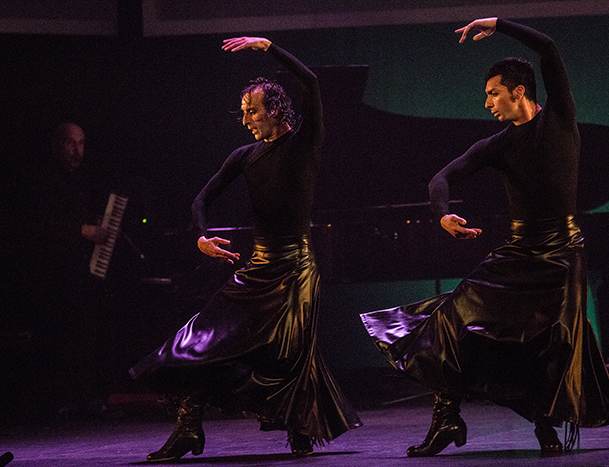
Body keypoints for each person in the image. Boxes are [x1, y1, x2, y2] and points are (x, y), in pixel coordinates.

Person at [360, 17, 609, 456]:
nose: (487, 103)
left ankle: (544, 425)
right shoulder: (499, 145)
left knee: (549, 339)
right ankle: (446, 419)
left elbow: (549, 48)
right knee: (451, 320)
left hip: (562, 252)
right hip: (519, 252)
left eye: (493, 93)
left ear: (519, 91)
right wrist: (442, 215)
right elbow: (441, 179)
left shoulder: (559, 119)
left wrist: (499, 24)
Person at [129, 37, 361, 462]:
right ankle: (188, 426)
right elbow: (201, 200)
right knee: (201, 338)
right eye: (242, 112)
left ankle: (299, 429)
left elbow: (309, 82)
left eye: (252, 110)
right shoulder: (244, 155)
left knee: (289, 353)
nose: (245, 119)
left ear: (275, 109)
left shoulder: (304, 143)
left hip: (295, 270)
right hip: (257, 268)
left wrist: (268, 47)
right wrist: (200, 236)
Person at [29, 122, 111, 416]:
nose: (77, 151)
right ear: (56, 146)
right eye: (70, 143)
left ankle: (87, 398)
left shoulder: (86, 180)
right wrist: (82, 231)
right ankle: (60, 401)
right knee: (60, 335)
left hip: (83, 270)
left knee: (88, 333)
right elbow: (36, 227)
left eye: (81, 143)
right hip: (53, 272)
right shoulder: (43, 180)